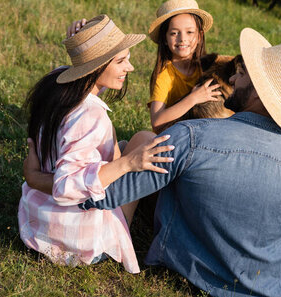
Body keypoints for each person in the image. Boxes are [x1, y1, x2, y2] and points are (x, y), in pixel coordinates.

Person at [23, 27, 281, 297]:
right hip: (276, 277)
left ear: (259, 94)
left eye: (243, 74)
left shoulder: (188, 136)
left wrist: (40, 177)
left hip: (194, 266)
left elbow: (106, 194)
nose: (235, 75)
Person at [18, 14, 173, 273]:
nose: (130, 68)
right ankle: (134, 228)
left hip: (38, 221)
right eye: (121, 61)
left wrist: (79, 45)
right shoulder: (90, 116)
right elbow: (67, 184)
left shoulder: (56, 84)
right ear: (97, 66)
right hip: (77, 242)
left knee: (133, 141)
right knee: (144, 144)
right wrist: (129, 163)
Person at [148, 0, 222, 132]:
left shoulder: (206, 67)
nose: (182, 39)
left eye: (189, 32)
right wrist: (193, 98)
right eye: (174, 33)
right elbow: (156, 121)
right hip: (175, 138)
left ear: (199, 36)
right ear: (164, 38)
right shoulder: (164, 76)